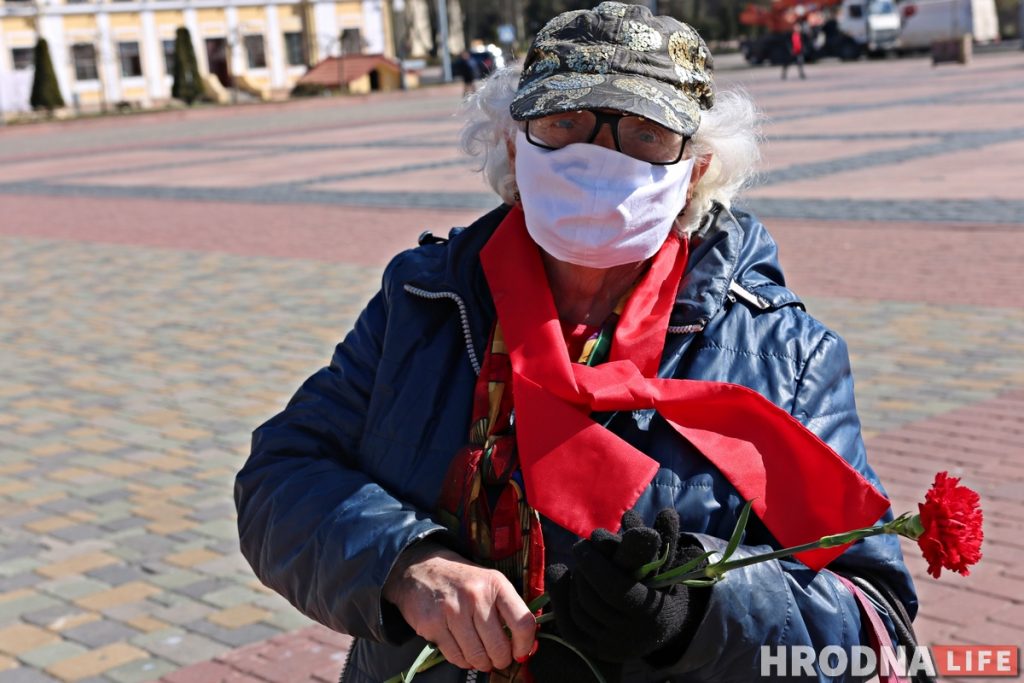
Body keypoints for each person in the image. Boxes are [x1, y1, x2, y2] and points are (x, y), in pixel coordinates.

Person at [235, 3, 916, 681]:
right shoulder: (423, 305)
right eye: (564, 124)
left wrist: (703, 612)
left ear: (698, 168)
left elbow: (874, 623)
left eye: (646, 134)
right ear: (511, 142)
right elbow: (281, 478)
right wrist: (408, 564)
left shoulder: (783, 354)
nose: (598, 157)